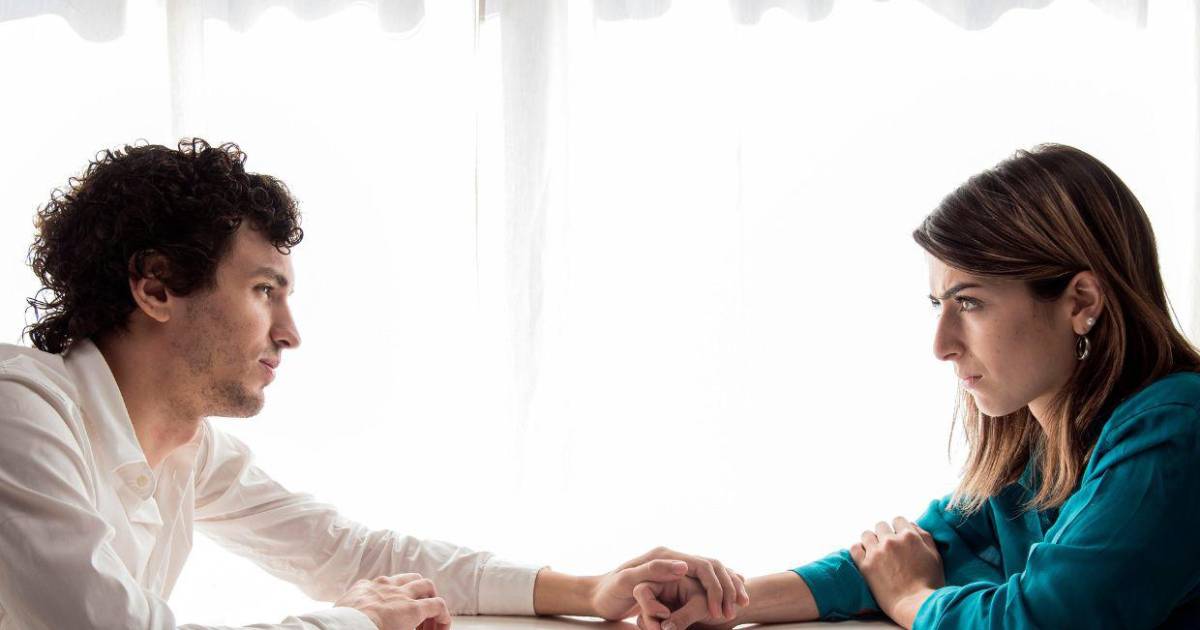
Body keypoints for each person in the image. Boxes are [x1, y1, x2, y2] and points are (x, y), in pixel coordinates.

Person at [0, 139, 750, 630]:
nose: (290, 332)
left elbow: (352, 554)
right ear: (157, 287)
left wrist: (587, 590)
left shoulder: (188, 450)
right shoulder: (19, 409)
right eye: (264, 290)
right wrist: (357, 620)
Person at [629, 144, 1200, 630]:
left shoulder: (1176, 429)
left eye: (969, 303)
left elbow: (1041, 621)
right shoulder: (1036, 452)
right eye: (937, 305)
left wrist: (911, 599)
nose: (941, 344)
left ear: (1080, 302)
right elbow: (899, 557)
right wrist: (728, 602)